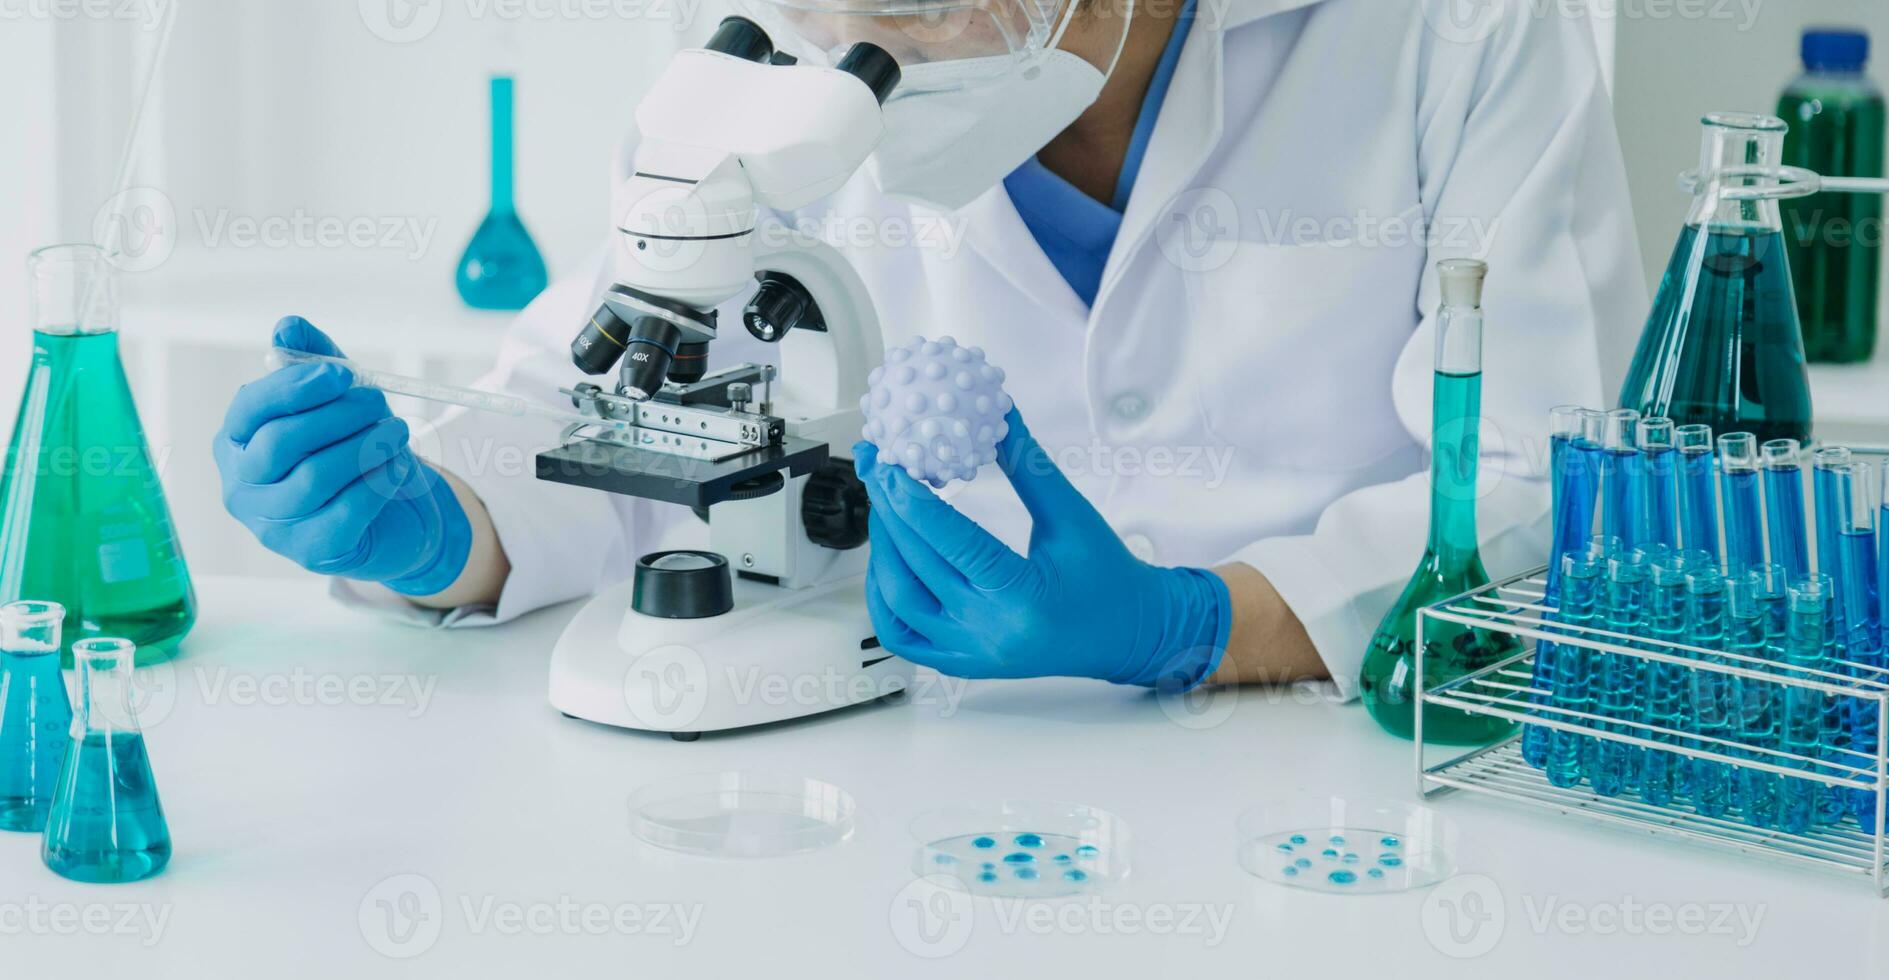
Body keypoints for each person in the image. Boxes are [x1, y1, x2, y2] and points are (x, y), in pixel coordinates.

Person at [214, 0, 1645, 695]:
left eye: (915, 13)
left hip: (1328, 767)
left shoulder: (1457, 36)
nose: (854, 39)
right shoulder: (777, 53)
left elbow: (1539, 480)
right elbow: (607, 415)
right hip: (887, 785)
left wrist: (1201, 625)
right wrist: (436, 529)